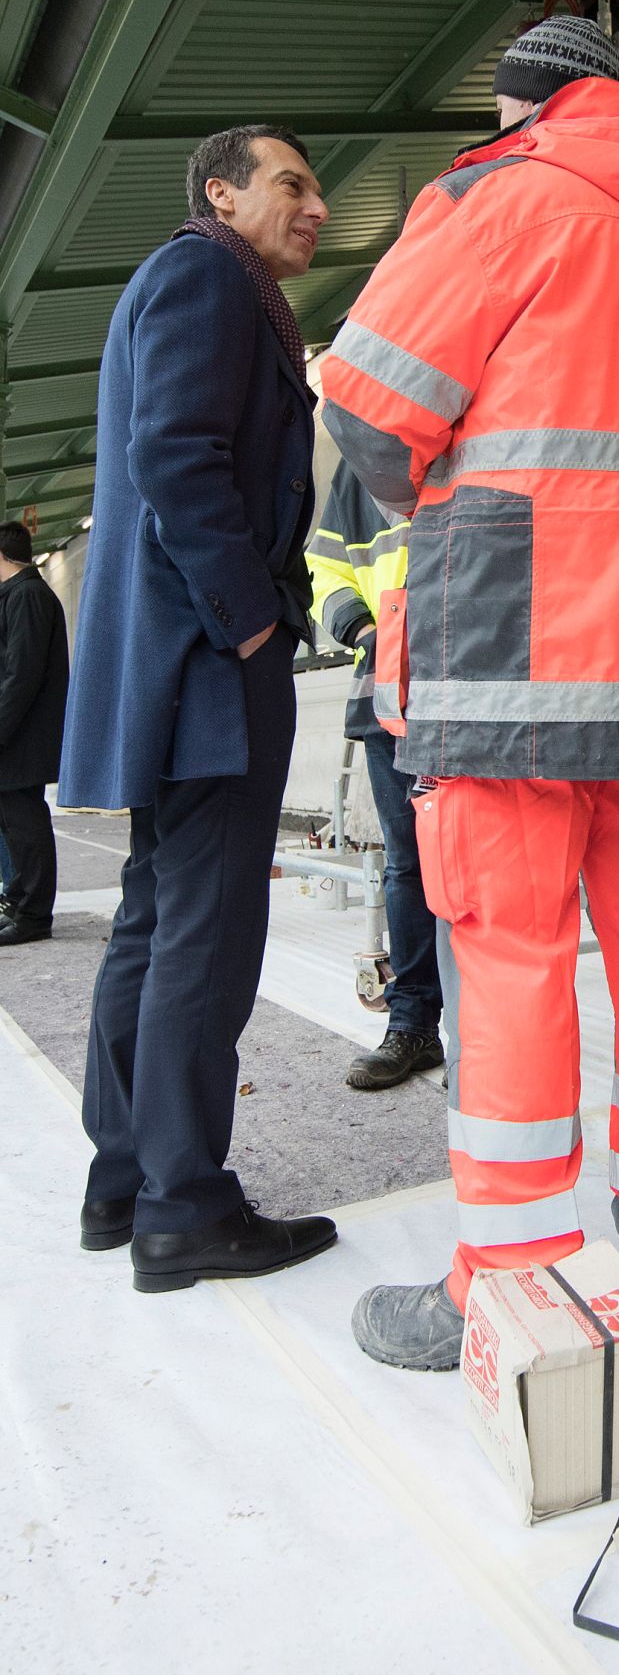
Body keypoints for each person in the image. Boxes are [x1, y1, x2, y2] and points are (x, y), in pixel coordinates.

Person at [323, 15, 619, 1369]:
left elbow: (366, 406)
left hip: (507, 647)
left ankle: (506, 1283)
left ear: (522, 111)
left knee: (508, 953)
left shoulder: (494, 198)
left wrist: (447, 491)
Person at [59, 125, 338, 1290]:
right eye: (292, 183)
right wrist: (252, 619)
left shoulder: (208, 282)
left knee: (155, 913)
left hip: (174, 661)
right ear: (221, 193)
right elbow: (177, 452)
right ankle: (185, 1202)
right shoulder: (205, 273)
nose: (315, 206)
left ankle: (124, 1178)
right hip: (209, 660)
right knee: (205, 927)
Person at [307, 456, 444, 1087]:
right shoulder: (362, 465)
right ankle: (413, 1024)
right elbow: (325, 567)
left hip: (479, 691)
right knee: (407, 866)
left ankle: (483, 1034)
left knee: (483, 866)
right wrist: (365, 632)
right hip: (389, 694)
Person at [0, 520, 69, 946]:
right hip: (16, 734)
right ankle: (19, 901)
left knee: (25, 823)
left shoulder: (27, 596)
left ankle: (33, 915)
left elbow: (20, 675)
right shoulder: (19, 595)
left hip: (19, 736)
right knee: (14, 822)